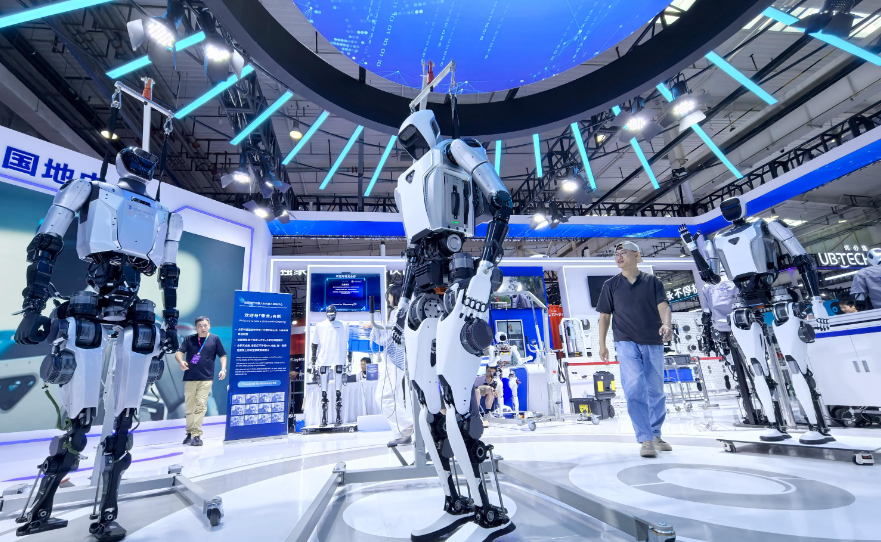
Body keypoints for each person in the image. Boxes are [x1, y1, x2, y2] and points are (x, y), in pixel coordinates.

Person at [597, 242, 673, 458]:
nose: (619, 257)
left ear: (637, 255)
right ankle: (645, 438)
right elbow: (604, 316)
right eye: (616, 254)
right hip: (625, 341)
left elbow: (664, 306)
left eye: (623, 253)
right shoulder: (610, 285)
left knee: (656, 391)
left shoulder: (653, 282)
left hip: (653, 340)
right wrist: (602, 344)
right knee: (634, 389)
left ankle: (656, 434)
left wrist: (667, 324)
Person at [364, 284, 414, 446]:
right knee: (395, 398)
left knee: (382, 398)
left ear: (395, 296)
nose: (388, 299)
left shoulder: (397, 312)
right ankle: (401, 434)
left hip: (394, 360)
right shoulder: (405, 311)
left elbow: (386, 338)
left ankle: (407, 425)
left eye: (390, 296)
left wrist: (372, 327)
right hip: (400, 360)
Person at [176, 316, 227, 446]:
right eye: (200, 326)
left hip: (206, 378)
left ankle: (196, 435)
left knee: (200, 406)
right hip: (190, 378)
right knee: (189, 408)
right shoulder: (189, 339)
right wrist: (181, 362)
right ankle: (189, 433)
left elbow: (222, 355)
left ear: (209, 326)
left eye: (205, 325)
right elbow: (179, 353)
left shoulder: (214, 339)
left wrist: (223, 369)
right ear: (196, 327)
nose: (202, 328)